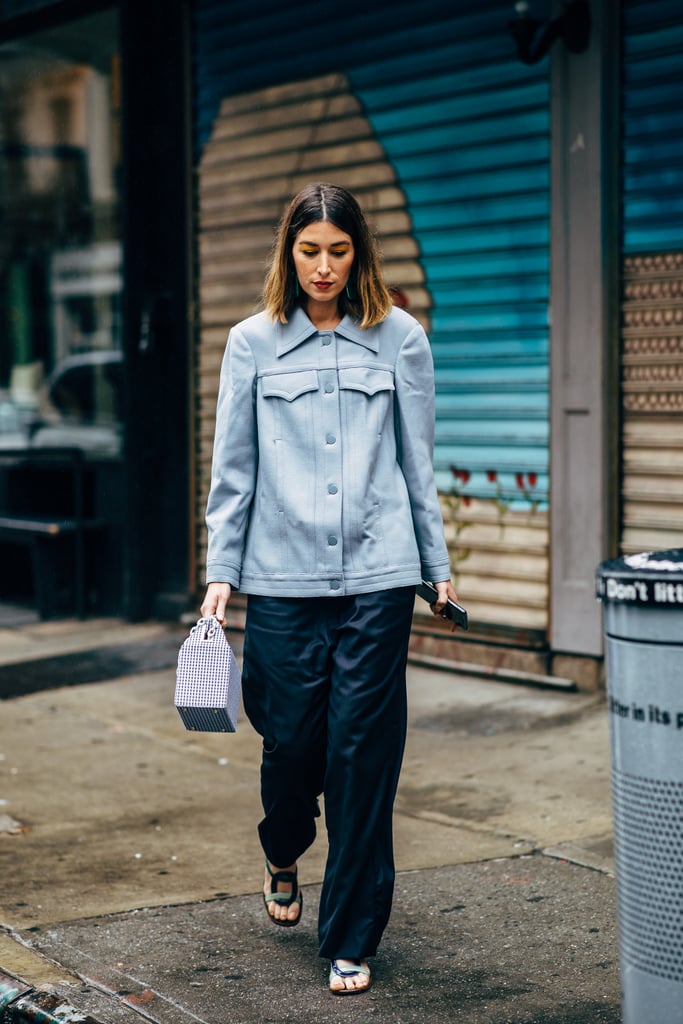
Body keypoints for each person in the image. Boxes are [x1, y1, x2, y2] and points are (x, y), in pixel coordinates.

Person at [201, 182, 460, 996]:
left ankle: (349, 933)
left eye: (337, 251)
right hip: (279, 580)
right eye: (308, 250)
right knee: (291, 749)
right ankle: (283, 850)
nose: (322, 267)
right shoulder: (250, 342)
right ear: (289, 252)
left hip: (378, 576)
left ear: (359, 253)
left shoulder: (400, 339)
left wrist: (434, 562)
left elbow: (417, 459)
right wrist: (220, 575)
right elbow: (232, 469)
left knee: (360, 756)